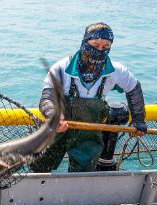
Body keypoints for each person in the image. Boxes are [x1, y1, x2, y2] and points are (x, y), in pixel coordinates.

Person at [31, 22, 147, 172]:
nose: (100, 50)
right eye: (95, 44)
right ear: (84, 42)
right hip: (58, 129)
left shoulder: (116, 71)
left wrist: (138, 119)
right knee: (41, 164)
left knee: (83, 172)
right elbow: (47, 97)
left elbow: (134, 88)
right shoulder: (61, 68)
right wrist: (54, 115)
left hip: (88, 134)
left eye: (105, 47)